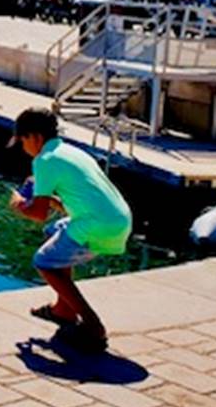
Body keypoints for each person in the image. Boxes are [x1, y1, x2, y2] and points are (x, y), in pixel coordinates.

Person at [8, 107, 132, 351]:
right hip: (119, 218)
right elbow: (76, 201)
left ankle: (93, 326)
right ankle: (63, 310)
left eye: (22, 141)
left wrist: (18, 205)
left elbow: (38, 213)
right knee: (53, 232)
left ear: (34, 137)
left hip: (98, 225)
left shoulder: (44, 160)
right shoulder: (70, 151)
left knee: (44, 262)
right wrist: (57, 202)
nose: (23, 148)